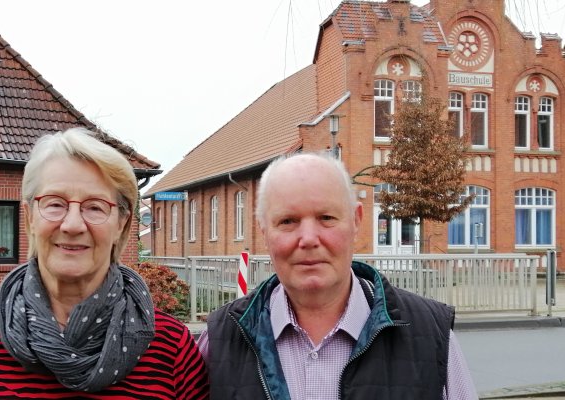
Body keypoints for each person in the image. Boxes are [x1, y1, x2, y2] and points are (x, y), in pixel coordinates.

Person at [0, 127, 209, 399]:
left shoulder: (171, 349)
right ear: (30, 217)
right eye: (55, 203)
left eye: (95, 207)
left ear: (122, 223)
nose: (73, 225)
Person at [199, 152, 477, 400]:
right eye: (287, 221)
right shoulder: (220, 340)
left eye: (326, 218)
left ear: (356, 220)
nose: (308, 239)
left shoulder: (430, 336)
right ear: (263, 231)